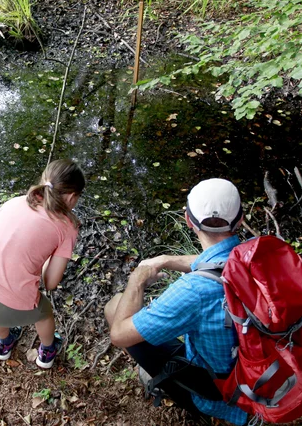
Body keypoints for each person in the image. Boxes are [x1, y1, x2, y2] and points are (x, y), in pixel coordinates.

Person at [104, 178, 248, 425]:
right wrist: (167, 259)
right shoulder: (256, 257)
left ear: (188, 220)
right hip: (266, 381)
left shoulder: (194, 291)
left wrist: (137, 280)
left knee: (115, 307)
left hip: (218, 395)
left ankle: (201, 409)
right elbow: (221, 260)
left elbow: (118, 335)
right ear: (241, 219)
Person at [0, 159, 85, 369]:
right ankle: (47, 351)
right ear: (73, 197)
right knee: (44, 311)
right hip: (6, 303)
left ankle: (4, 342)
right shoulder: (67, 226)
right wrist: (47, 258)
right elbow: (50, 282)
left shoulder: (15, 201)